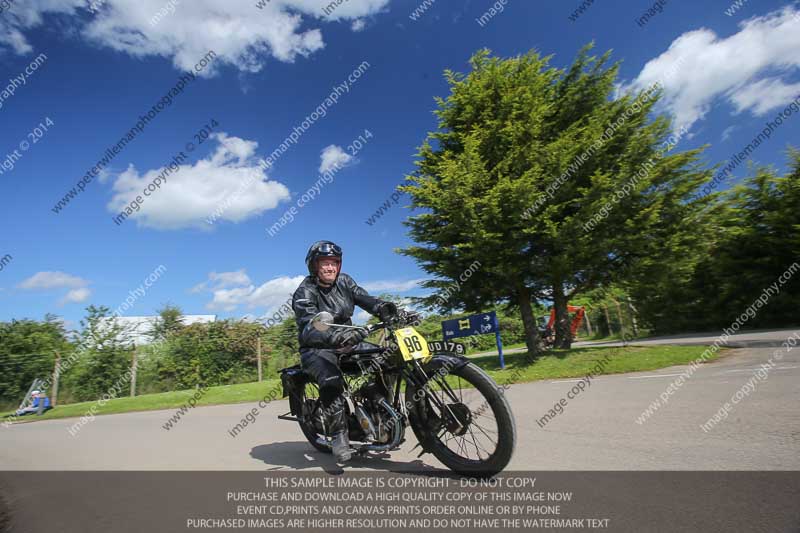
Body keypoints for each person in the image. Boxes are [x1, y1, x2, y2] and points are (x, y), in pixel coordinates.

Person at [292, 240, 397, 463]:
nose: (330, 267)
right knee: (331, 377)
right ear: (314, 265)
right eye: (324, 263)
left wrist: (382, 308)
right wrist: (334, 335)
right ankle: (339, 435)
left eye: (334, 263)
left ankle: (380, 412)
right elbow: (310, 323)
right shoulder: (304, 291)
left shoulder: (345, 281)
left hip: (348, 344)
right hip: (316, 348)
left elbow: (364, 297)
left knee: (388, 360)